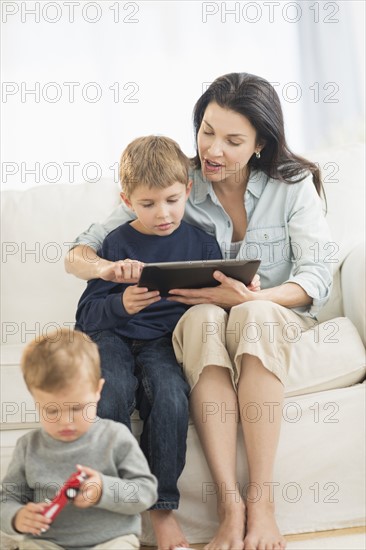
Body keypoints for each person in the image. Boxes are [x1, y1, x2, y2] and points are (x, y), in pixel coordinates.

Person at [65, 73, 333, 550]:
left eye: (233, 141)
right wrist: (111, 271)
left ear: (259, 144)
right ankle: (229, 507)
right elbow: (83, 251)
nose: (212, 150)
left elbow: (314, 278)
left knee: (250, 316)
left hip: (269, 313)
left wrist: (251, 300)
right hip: (199, 320)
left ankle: (262, 503)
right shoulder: (175, 180)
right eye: (207, 131)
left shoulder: (291, 187)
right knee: (206, 317)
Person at [75, 135, 237, 550]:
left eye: (170, 200)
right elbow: (86, 316)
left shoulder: (202, 244)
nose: (162, 214)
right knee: (110, 396)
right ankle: (111, 505)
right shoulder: (114, 245)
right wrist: (122, 304)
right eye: (147, 205)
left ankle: (161, 509)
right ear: (127, 200)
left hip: (164, 343)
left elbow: (217, 300)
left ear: (186, 190)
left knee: (170, 397)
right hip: (111, 337)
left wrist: (240, 287)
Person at [0, 329, 158, 550]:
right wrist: (16, 517)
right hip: (49, 543)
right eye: (52, 411)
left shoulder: (115, 437)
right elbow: (7, 499)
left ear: (97, 391)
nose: (66, 421)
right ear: (35, 399)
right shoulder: (29, 446)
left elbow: (145, 492)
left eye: (77, 408)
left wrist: (104, 489)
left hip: (110, 541)